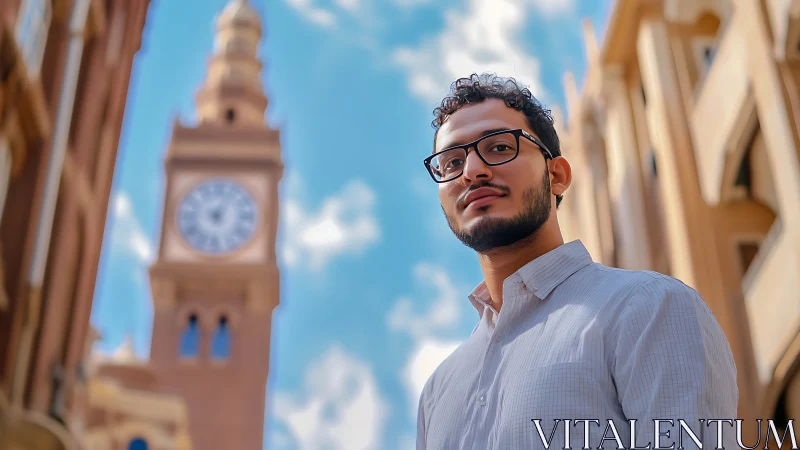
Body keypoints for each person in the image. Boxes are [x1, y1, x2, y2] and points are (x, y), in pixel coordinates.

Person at [415, 73, 738, 450]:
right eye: (451, 162)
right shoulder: (438, 392)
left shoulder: (649, 307)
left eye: (500, 148)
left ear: (556, 175)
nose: (472, 171)